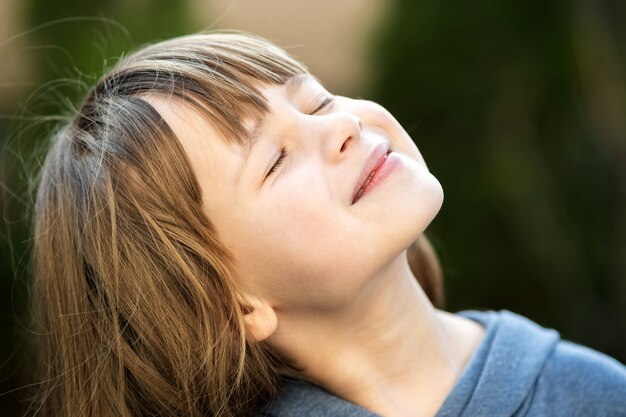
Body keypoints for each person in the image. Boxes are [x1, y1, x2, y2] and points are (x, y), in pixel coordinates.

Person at [30, 32, 626, 417]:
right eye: (276, 159)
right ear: (231, 303)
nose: (338, 127)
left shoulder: (594, 396)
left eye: (314, 100)